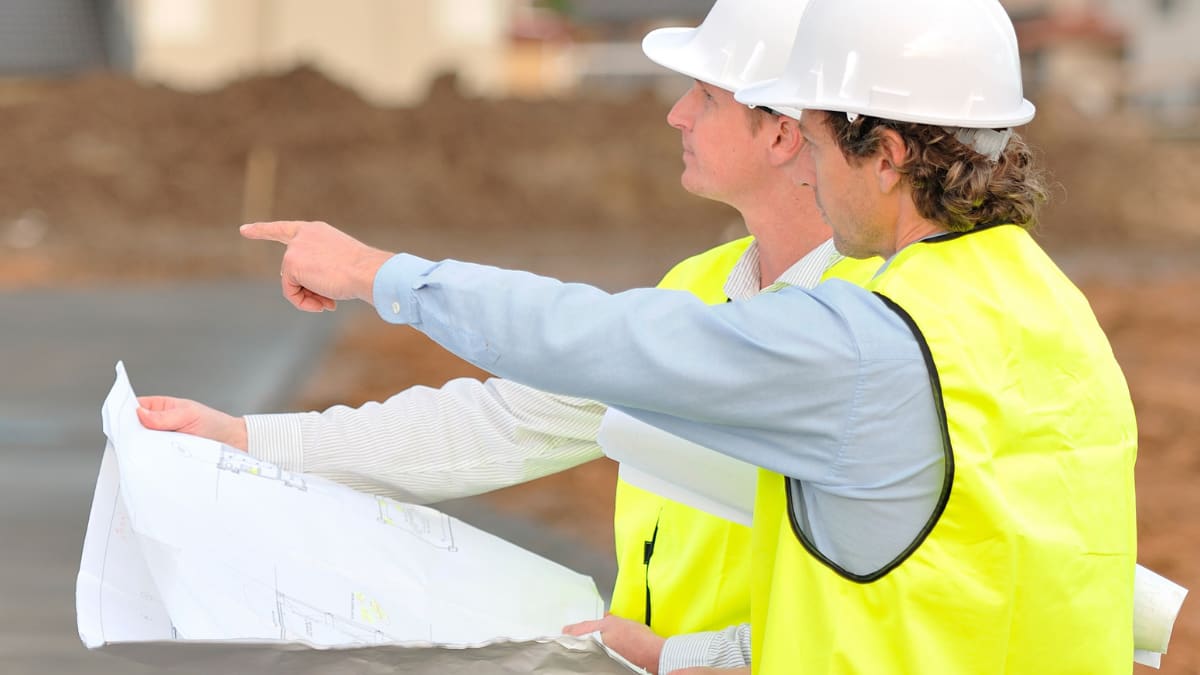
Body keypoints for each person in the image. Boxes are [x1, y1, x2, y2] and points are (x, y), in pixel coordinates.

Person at [222, 0, 1139, 671]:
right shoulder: (1036, 301)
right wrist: (254, 443)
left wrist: (379, 275)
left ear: (881, 150)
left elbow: (592, 342)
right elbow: (980, 557)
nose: (678, 114)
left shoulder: (862, 338)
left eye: (819, 140)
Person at [136, 1, 879, 672]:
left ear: (783, 133)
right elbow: (508, 422)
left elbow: (909, 598)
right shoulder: (699, 284)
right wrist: (252, 443)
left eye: (706, 96)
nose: (677, 114)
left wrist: (698, 657)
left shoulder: (876, 323)